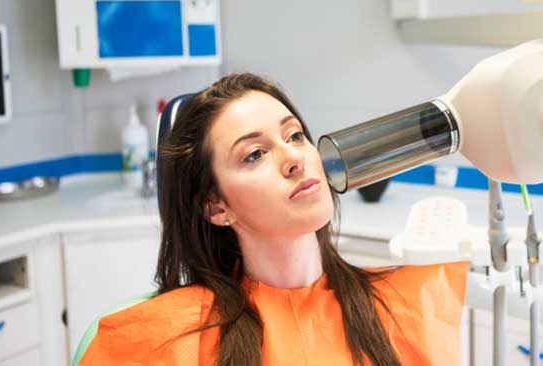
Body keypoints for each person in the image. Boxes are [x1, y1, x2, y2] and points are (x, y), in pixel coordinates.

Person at [79, 73, 468, 366]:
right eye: (255, 154)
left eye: (295, 136)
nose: (294, 158)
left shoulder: (406, 307)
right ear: (216, 207)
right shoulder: (163, 340)